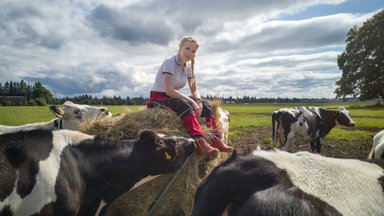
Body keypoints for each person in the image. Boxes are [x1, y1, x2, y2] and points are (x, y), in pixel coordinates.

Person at [147, 35, 233, 157]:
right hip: (158, 98)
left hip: (173, 97)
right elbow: (169, 91)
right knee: (185, 105)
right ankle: (201, 144)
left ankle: (215, 139)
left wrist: (197, 100)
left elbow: (194, 88)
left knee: (206, 104)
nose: (189, 53)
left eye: (193, 51)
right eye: (187, 48)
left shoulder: (187, 67)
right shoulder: (169, 62)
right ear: (180, 47)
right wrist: (192, 102)